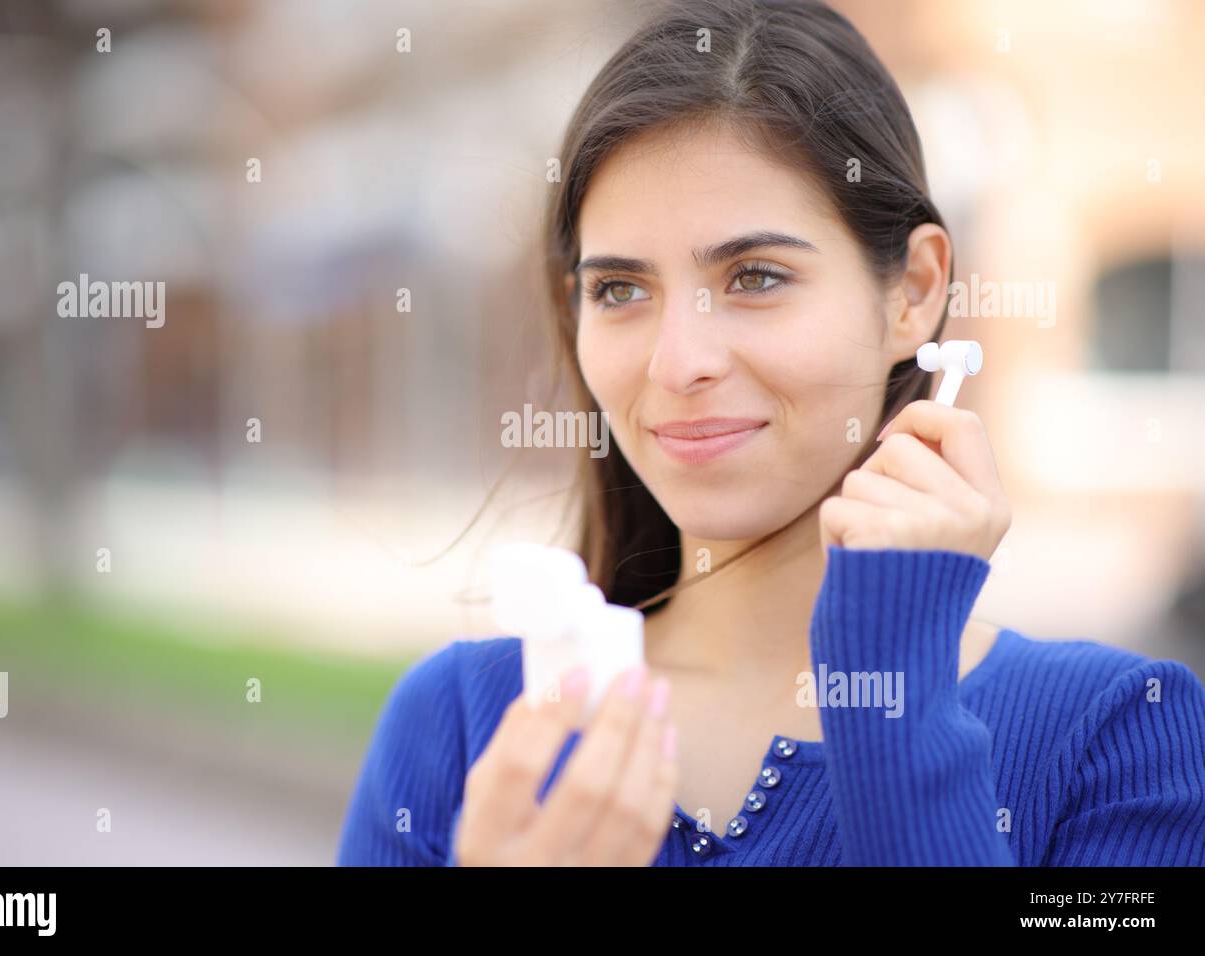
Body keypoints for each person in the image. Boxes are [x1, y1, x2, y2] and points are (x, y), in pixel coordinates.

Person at [337, 0, 1205, 866]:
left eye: (755, 276)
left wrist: (890, 687)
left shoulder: (1123, 739)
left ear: (913, 291)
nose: (679, 364)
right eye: (620, 290)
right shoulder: (460, 727)